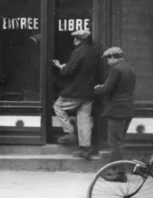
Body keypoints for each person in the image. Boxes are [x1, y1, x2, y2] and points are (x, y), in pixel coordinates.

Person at [52, 29, 98, 160]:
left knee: (58, 106)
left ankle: (69, 132)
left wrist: (60, 66)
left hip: (76, 91)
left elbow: (68, 71)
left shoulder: (78, 51)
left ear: (77, 39)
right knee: (84, 119)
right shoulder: (93, 51)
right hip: (89, 92)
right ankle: (85, 149)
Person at [94, 46, 135, 181]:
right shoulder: (130, 68)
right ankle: (113, 170)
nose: (107, 62)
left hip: (116, 111)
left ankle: (120, 174)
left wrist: (98, 88)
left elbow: (107, 89)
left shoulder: (115, 69)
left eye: (108, 59)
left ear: (113, 57)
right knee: (118, 142)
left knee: (115, 143)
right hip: (127, 110)